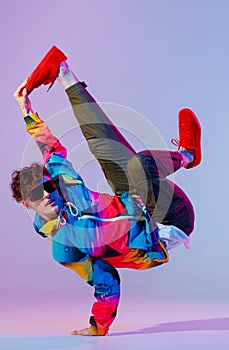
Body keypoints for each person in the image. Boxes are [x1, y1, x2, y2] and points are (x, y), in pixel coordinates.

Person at [11, 46, 201, 336]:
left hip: (132, 198)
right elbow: (105, 278)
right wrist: (98, 326)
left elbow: (50, 147)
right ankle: (187, 155)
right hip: (166, 223)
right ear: (27, 204)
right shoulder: (65, 247)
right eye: (37, 194)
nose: (48, 193)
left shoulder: (65, 186)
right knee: (140, 166)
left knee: (101, 141)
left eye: (48, 185)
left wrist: (25, 108)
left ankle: (62, 71)